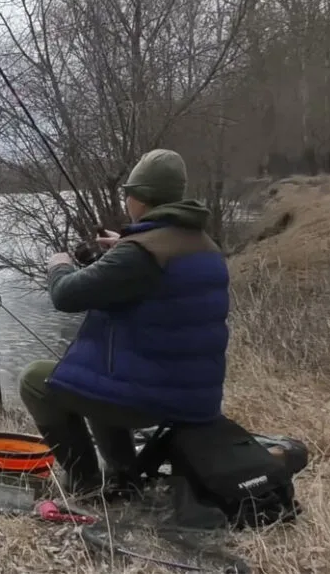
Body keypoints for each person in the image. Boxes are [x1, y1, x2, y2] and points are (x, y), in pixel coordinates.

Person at [19, 148, 230, 497]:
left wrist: (59, 265)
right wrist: (126, 246)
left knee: (35, 381)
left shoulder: (140, 255)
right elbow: (162, 281)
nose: (127, 200)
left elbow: (65, 296)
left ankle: (88, 482)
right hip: (198, 393)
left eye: (129, 193)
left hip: (155, 398)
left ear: (141, 199)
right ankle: (123, 474)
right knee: (98, 367)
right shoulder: (204, 244)